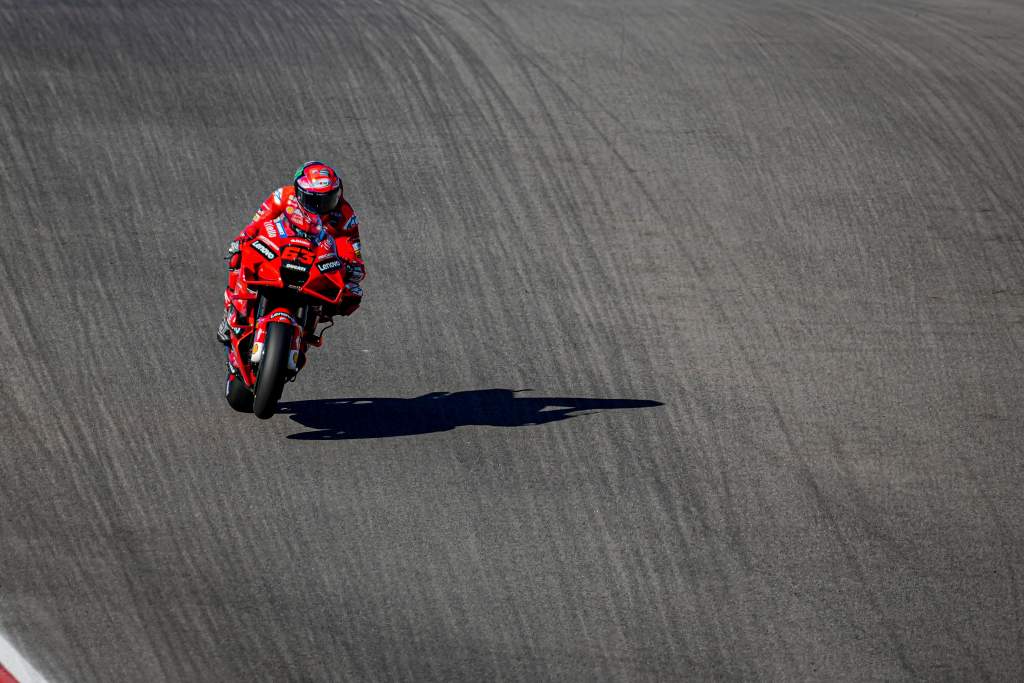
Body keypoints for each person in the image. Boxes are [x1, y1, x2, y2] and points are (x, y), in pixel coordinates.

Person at [218, 161, 364, 344]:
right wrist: (241, 240)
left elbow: (352, 249)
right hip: (280, 248)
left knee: (351, 293)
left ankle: (308, 329)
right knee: (237, 255)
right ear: (299, 193)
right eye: (314, 200)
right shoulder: (283, 196)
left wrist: (353, 268)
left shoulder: (345, 215)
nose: (321, 206)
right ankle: (232, 311)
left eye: (329, 199)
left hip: (317, 258)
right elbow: (255, 226)